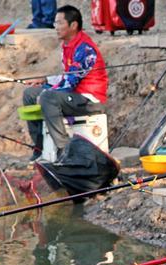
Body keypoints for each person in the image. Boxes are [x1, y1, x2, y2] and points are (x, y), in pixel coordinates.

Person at [22, 4, 108, 162]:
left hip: (89, 100)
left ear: (73, 25)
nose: (55, 27)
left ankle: (64, 150)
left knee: (48, 97)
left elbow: (70, 83)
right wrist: (44, 81)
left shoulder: (85, 49)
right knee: (29, 94)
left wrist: (46, 92)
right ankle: (40, 148)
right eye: (55, 23)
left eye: (59, 23)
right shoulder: (67, 46)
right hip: (73, 96)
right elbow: (66, 76)